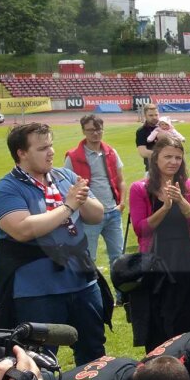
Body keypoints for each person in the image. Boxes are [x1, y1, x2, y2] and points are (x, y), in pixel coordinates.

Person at [0, 122, 108, 364]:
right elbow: (23, 229)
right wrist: (69, 205)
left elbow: (97, 215)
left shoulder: (65, 177)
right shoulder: (5, 190)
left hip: (82, 281)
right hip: (37, 290)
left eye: (51, 145)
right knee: (38, 359)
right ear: (22, 153)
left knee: (94, 350)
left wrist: (82, 199)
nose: (51, 152)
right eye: (42, 148)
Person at [128, 135, 190, 349]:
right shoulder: (140, 188)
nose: (173, 162)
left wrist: (181, 201)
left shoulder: (188, 186)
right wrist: (165, 208)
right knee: (159, 320)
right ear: (156, 159)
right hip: (156, 263)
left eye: (178, 158)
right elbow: (141, 229)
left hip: (187, 260)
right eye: (168, 157)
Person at [64, 114, 124, 271]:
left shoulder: (111, 152)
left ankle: (121, 288)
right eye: (90, 130)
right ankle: (92, 287)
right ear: (83, 131)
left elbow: (120, 180)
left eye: (98, 129)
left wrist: (122, 204)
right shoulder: (73, 157)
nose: (95, 133)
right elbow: (67, 187)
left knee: (118, 258)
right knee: (89, 259)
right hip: (88, 217)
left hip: (113, 213)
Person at [134, 103, 160, 169]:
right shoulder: (141, 131)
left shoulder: (166, 128)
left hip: (170, 168)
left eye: (156, 115)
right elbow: (143, 152)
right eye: (151, 115)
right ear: (145, 116)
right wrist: (163, 155)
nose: (154, 117)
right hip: (152, 169)